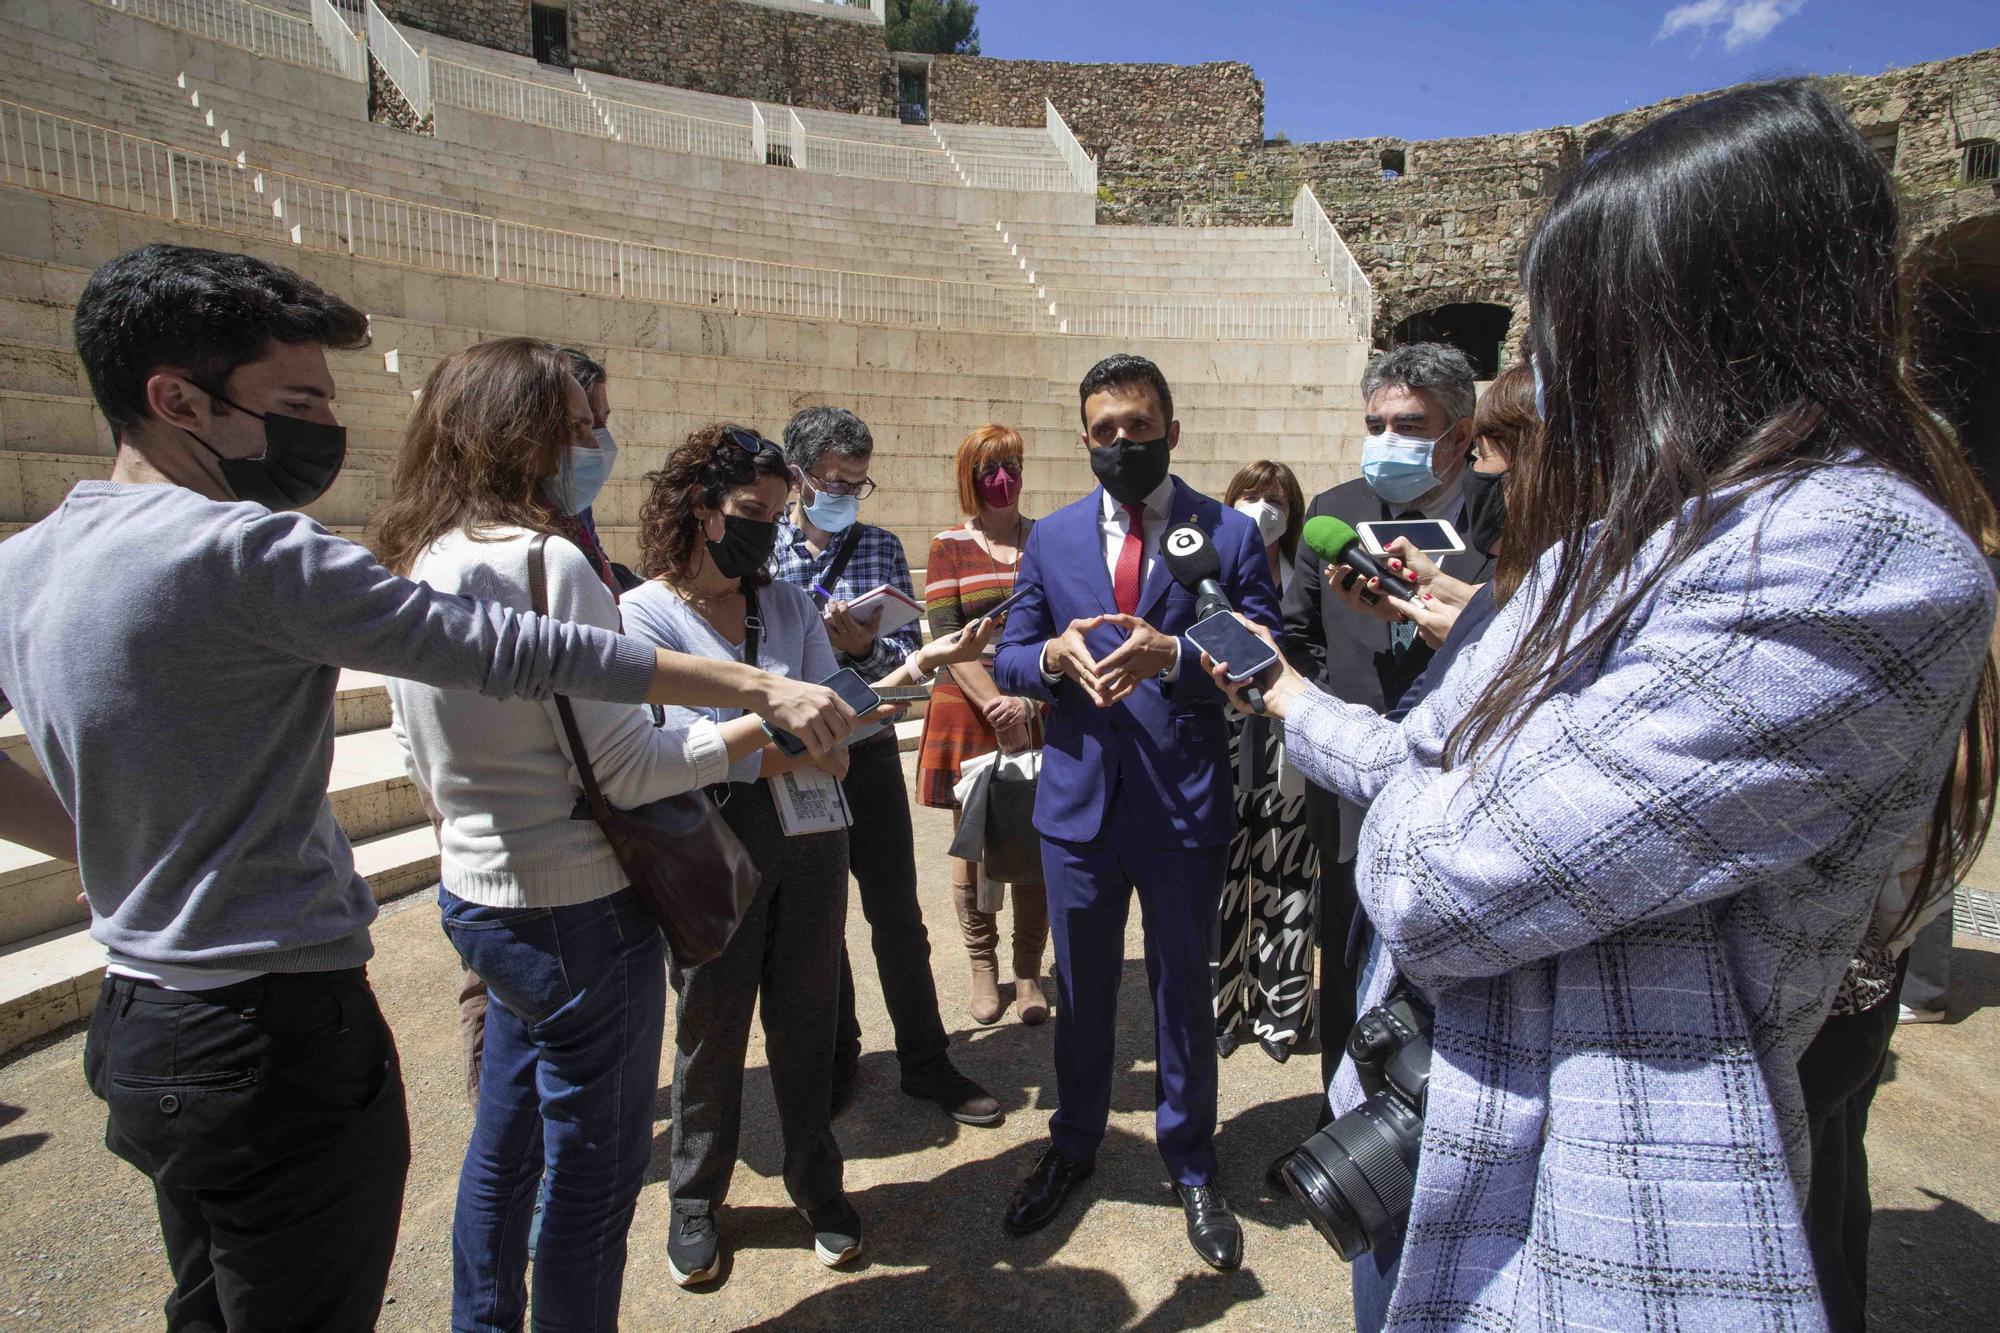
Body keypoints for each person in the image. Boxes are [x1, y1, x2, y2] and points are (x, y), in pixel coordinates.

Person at [1212, 81, 1999, 1330]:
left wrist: (1443, 797)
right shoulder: (1606, 546)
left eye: (1580, 323)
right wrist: (1287, 693)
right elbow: (1422, 753)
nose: (1549, 369)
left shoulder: (1855, 552)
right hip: (1436, 1124)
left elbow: (1436, 874)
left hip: (1599, 1225)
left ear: (1707, 317)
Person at [0, 244, 855, 1332]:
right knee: (575, 1196)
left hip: (146, 1008)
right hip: (302, 1010)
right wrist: (750, 692)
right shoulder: (261, 552)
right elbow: (515, 656)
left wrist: (92, 847)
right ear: (178, 400)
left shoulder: (29, 559)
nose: (324, 419)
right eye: (297, 397)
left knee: (245, 1279)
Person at [376, 339, 779, 1331]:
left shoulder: (416, 557)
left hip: (479, 891)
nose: (598, 441)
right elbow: (631, 768)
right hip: (578, 909)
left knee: (502, 1150)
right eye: (579, 424)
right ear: (523, 436)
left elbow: (415, 757)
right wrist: (754, 730)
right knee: (592, 1183)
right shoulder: (549, 561)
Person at [620, 424, 998, 1288]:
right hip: (714, 852)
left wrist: (901, 679)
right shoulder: (647, 613)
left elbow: (845, 719)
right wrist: (795, 734)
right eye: (751, 512)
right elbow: (684, 749)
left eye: (775, 511)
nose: (767, 528)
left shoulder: (784, 606)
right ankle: (694, 1201)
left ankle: (818, 1188)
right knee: (709, 1031)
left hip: (813, 843)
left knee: (807, 1020)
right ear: (701, 509)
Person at [992, 354, 1283, 1270]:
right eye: (1106, 429)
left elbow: (1266, 658)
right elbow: (1010, 653)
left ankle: (1191, 1159)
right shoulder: (1053, 538)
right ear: (1085, 441)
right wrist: (1050, 660)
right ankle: (1075, 1142)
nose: (1124, 441)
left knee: (1180, 993)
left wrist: (1180, 659)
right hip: (1078, 805)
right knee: (1080, 995)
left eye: (1140, 426)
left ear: (1172, 431)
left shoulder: (1227, 534)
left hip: (1181, 806)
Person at [1279, 342, 1494, 1123]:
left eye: (1410, 424)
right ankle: (1342, 1121)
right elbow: (1296, 635)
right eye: (1375, 423)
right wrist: (1341, 718)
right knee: (1344, 948)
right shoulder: (1333, 513)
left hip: (1462, 778)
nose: (1387, 439)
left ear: (1461, 434)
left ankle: (1438, 1123)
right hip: (1350, 783)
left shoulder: (1507, 518)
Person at [772, 406, 1000, 1126]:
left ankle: (926, 1062)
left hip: (866, 752)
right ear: (798, 477)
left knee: (897, 914)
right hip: (796, 762)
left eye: (857, 482)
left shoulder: (879, 548)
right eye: (833, 480)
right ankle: (837, 1059)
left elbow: (898, 675)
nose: (844, 493)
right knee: (816, 922)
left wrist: (861, 646)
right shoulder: (762, 552)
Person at [917, 425, 1049, 1026]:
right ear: (969, 478)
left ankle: (1027, 972)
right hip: (966, 707)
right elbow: (948, 638)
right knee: (971, 843)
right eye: (990, 469)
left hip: (1038, 702)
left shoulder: (1047, 540)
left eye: (1012, 465)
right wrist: (999, 705)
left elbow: (1060, 627)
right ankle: (980, 967)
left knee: (1034, 839)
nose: (1003, 480)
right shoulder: (948, 545)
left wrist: (1028, 706)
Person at [1212, 460, 1318, 1062]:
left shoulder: (1306, 575)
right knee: (1225, 880)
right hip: (1224, 749)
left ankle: (1283, 1011)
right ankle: (1223, 1007)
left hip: (1289, 747)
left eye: (1275, 498)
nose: (1263, 507)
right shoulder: (1213, 572)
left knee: (1288, 874)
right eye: (1251, 495)